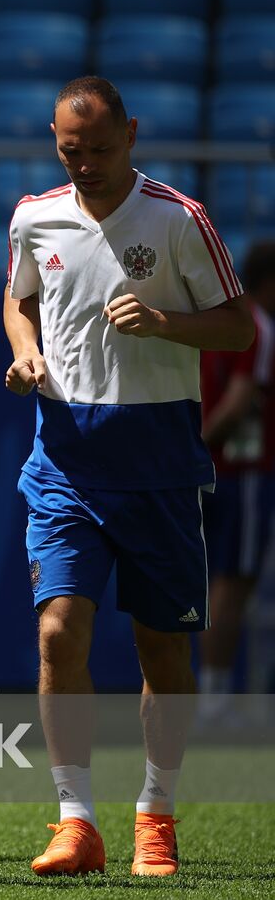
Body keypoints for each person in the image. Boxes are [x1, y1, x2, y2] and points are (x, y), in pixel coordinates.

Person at [3, 76, 253, 878]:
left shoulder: (180, 219)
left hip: (159, 466)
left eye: (102, 150)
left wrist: (166, 321)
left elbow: (240, 325)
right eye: (72, 151)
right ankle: (76, 820)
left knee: (162, 652)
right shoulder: (34, 217)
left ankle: (156, 811)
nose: (87, 166)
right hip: (66, 458)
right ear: (54, 139)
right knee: (56, 631)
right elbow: (20, 300)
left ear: (133, 134)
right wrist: (24, 350)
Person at [198, 241, 275, 724]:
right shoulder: (257, 328)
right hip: (241, 475)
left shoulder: (213, 320)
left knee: (211, 583)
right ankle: (214, 698)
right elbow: (240, 400)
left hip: (205, 473)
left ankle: (209, 694)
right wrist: (202, 445)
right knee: (233, 583)